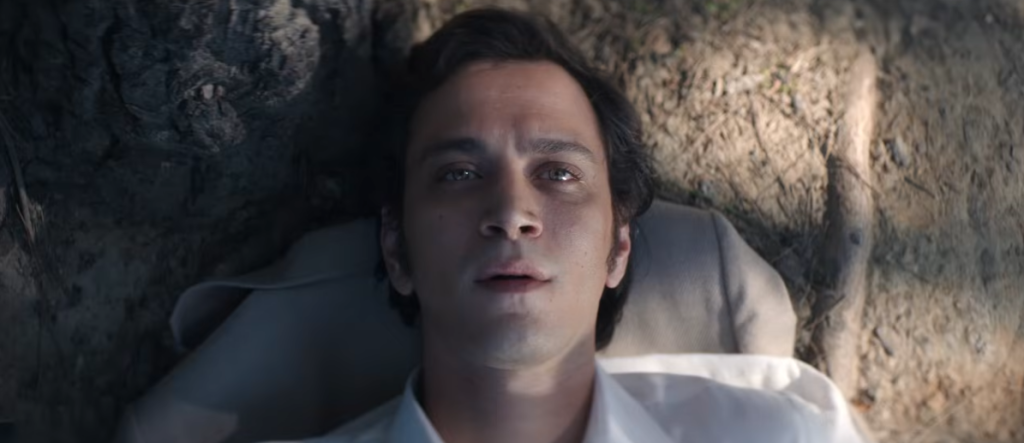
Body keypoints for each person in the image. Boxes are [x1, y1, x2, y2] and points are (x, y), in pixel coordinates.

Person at [270, 8, 869, 443]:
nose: (511, 213)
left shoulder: (781, 435)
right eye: (459, 174)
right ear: (396, 248)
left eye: (558, 174)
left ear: (619, 247)